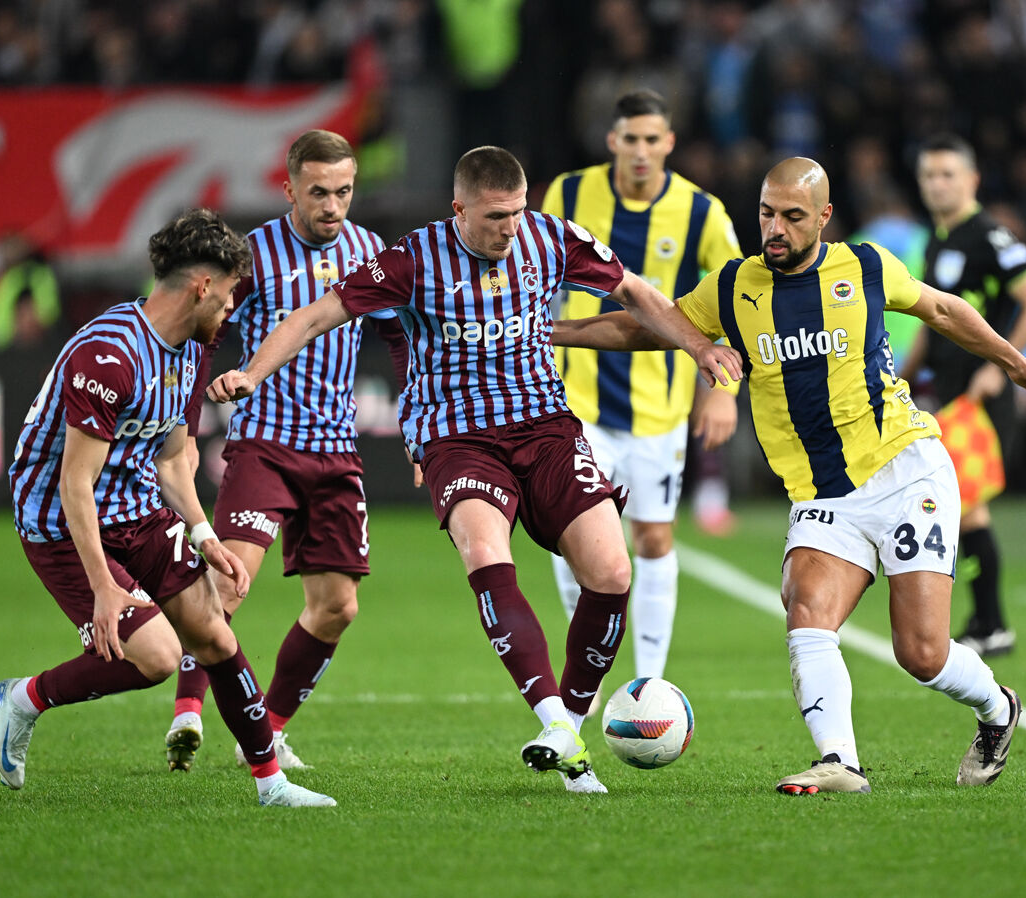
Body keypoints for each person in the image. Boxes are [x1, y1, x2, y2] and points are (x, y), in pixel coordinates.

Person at [208, 146, 741, 794]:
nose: (509, 228)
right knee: (486, 551)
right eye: (494, 217)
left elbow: (634, 292)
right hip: (458, 437)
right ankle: (553, 721)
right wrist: (252, 373)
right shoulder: (411, 259)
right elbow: (318, 315)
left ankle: (567, 728)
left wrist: (699, 346)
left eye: (517, 213)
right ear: (458, 209)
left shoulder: (550, 237)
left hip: (544, 424)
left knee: (612, 571)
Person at [551, 157, 1026, 794]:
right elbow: (646, 326)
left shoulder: (866, 266)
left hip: (906, 471)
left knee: (923, 654)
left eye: (792, 217)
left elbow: (941, 310)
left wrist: (1017, 364)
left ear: (823, 218)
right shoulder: (733, 286)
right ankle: (839, 761)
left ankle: (998, 708)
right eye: (767, 213)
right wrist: (551, 332)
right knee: (806, 610)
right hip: (824, 494)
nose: (775, 228)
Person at [0, 208, 334, 808]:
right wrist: (102, 586)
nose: (229, 311)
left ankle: (271, 784)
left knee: (214, 637)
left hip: (137, 507)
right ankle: (21, 699)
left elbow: (174, 461)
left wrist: (204, 537)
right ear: (202, 286)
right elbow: (76, 482)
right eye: (227, 296)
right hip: (62, 523)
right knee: (153, 657)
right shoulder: (109, 354)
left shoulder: (191, 349)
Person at [165, 131, 410, 774]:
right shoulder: (254, 255)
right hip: (265, 444)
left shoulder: (370, 254)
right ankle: (188, 712)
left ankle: (269, 729)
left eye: (345, 192)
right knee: (226, 584)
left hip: (336, 452)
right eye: (319, 192)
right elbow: (202, 336)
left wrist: (420, 422)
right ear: (290, 189)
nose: (333, 206)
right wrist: (188, 425)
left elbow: (400, 339)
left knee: (337, 608)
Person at [543, 89, 741, 685]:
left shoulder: (701, 212)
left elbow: (736, 300)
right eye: (630, 139)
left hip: (658, 406)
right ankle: (588, 672)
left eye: (653, 140)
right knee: (572, 536)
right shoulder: (570, 193)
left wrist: (724, 391)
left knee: (653, 539)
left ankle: (648, 683)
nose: (641, 151)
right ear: (612, 141)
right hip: (576, 401)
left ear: (670, 143)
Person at [903, 133, 1026, 657]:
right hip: (947, 391)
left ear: (972, 180)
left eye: (948, 173)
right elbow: (932, 316)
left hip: (979, 393)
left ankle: (990, 622)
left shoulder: (989, 236)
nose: (937, 183)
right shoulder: (938, 238)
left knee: (967, 509)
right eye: (929, 174)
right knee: (958, 507)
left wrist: (1005, 365)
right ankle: (986, 620)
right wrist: (903, 373)